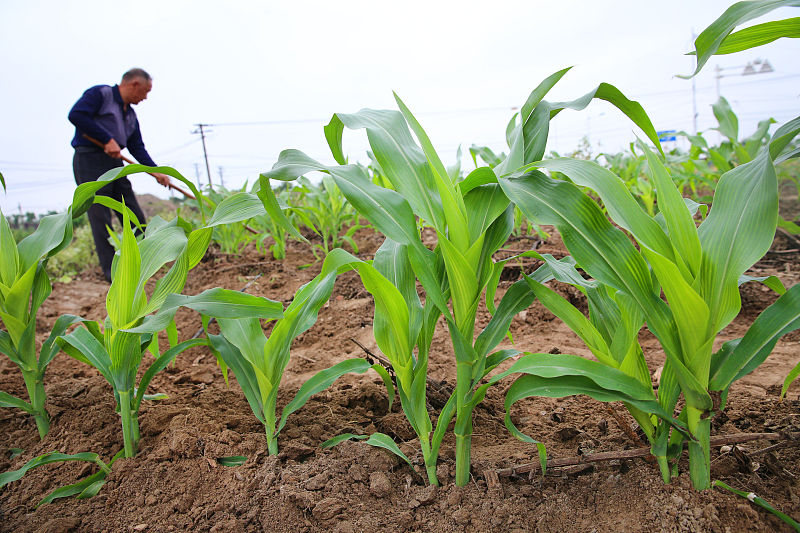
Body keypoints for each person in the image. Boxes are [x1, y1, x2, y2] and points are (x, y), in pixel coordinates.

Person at [68, 67, 171, 282]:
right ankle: (112, 275)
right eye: (145, 92)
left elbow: (137, 147)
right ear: (133, 84)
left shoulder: (130, 116)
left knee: (133, 214)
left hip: (115, 163)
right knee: (101, 217)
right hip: (90, 159)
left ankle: (141, 263)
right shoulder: (100, 94)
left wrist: (155, 171)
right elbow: (76, 115)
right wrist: (106, 139)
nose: (145, 98)